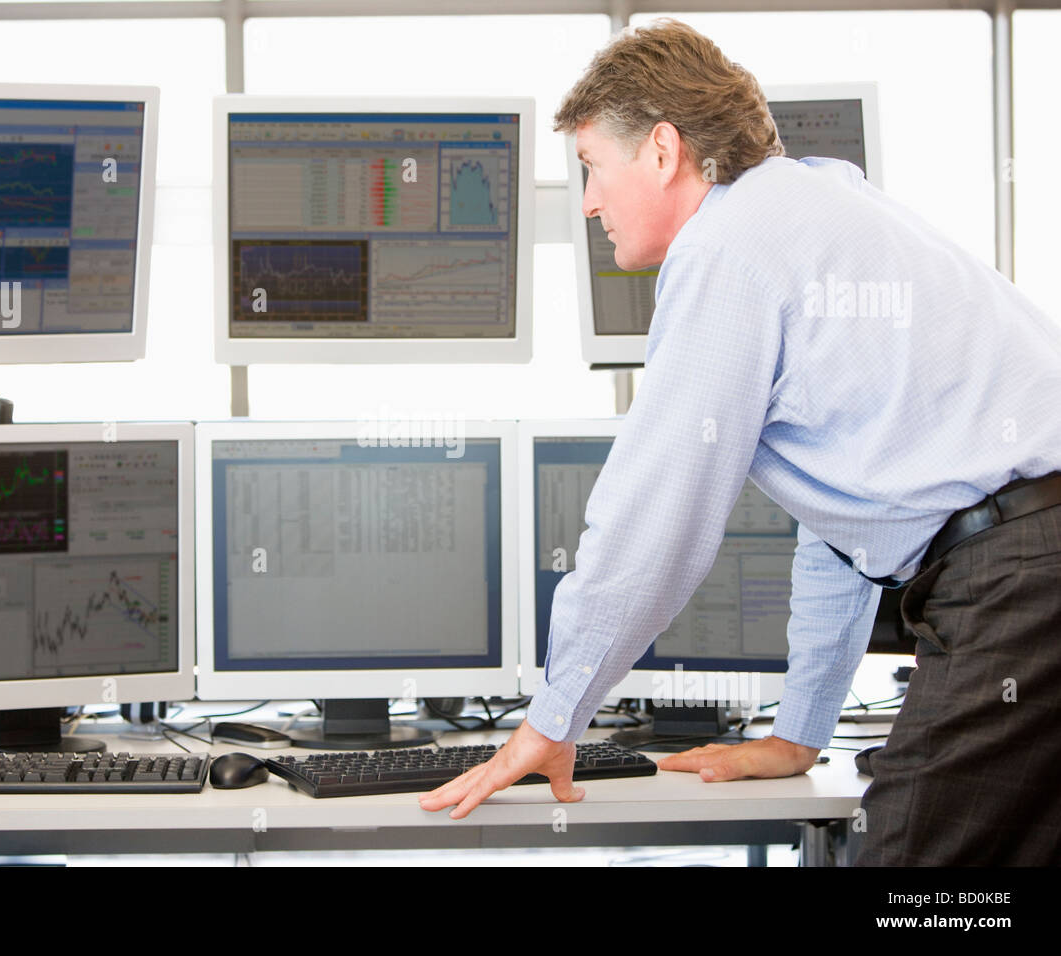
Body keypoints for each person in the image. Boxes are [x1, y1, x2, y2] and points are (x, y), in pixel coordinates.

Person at [419, 19, 1061, 866]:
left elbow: (656, 518)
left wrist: (554, 716)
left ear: (660, 151)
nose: (587, 204)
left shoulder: (727, 250)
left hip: (1021, 581)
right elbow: (849, 528)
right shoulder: (810, 204)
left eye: (590, 169)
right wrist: (800, 733)